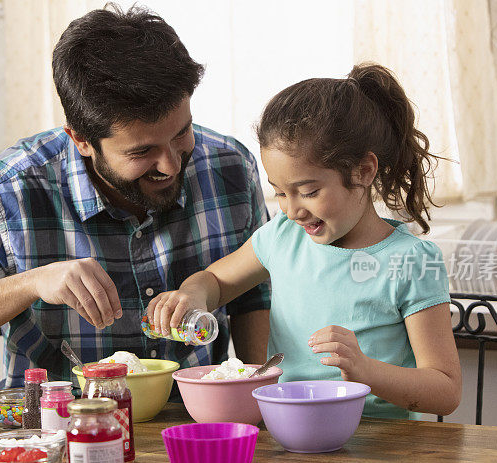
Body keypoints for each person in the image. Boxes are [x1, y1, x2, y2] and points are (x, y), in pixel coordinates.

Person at [0, 5, 271, 388]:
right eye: (142, 152)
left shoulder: (230, 167)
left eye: (181, 134)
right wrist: (30, 284)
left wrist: (261, 401)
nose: (171, 165)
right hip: (59, 428)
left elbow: (255, 297)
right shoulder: (11, 190)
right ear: (82, 140)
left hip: (196, 426)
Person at [147, 63, 461, 418]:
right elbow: (216, 281)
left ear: (364, 171)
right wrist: (193, 294)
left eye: (308, 191)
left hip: (381, 448)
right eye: (280, 193)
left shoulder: (413, 261)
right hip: (290, 433)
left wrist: (365, 370)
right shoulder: (282, 237)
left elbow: (445, 390)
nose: (292, 210)